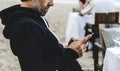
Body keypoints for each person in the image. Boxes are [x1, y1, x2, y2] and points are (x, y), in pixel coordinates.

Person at [0, 0, 92, 71]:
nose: (52, 3)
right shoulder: (26, 26)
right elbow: (36, 68)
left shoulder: (33, 18)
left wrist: (67, 48)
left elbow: (45, 54)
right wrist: (70, 53)